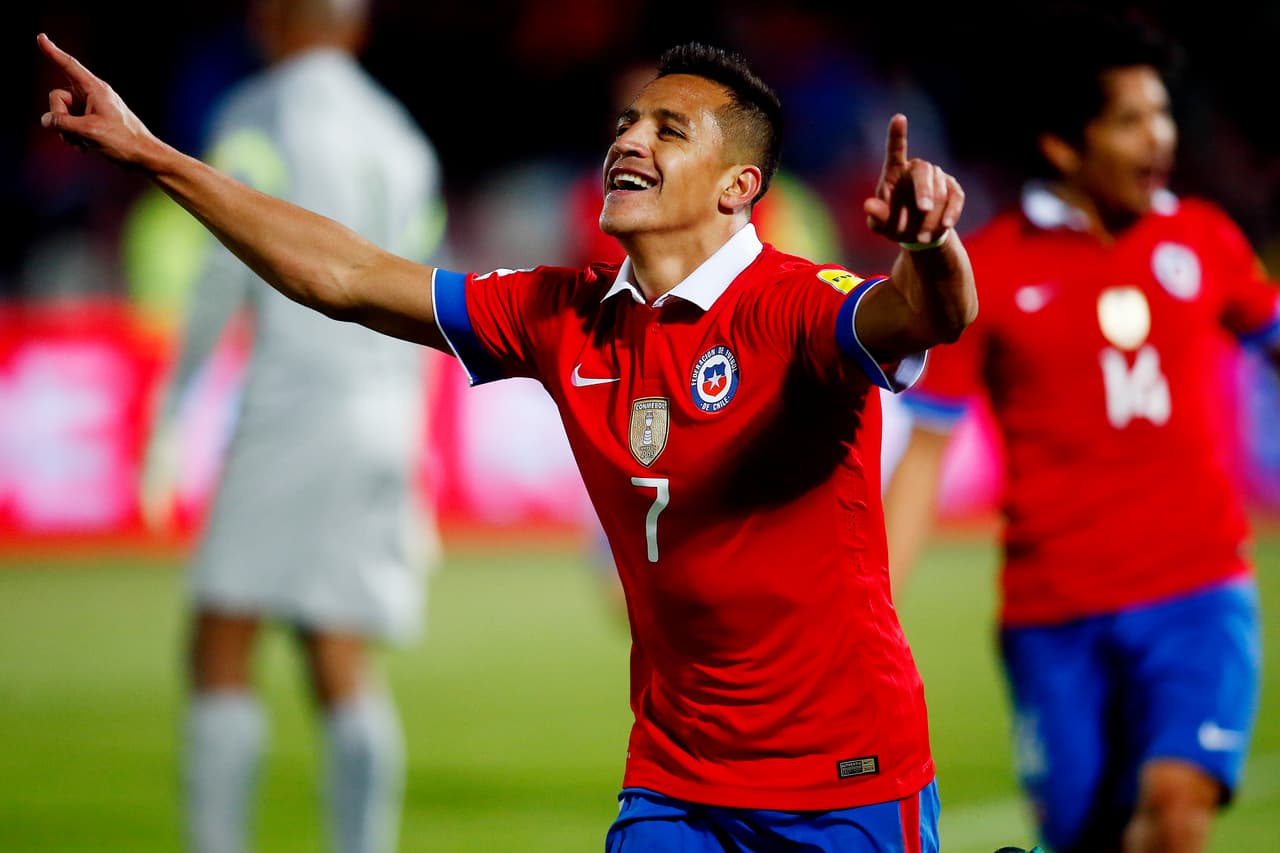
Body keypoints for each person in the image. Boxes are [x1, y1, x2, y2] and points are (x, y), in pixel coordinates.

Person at [38, 33, 979, 851]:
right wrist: (149, 152)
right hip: (677, 778)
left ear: (739, 187)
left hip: (845, 776)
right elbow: (347, 274)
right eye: (628, 124)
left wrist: (933, 245)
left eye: (667, 130)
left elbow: (925, 314)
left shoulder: (798, 306)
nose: (630, 140)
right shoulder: (560, 314)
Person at [883, 8, 1280, 853]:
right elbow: (923, 457)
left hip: (1198, 596)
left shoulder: (1204, 240)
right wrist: (866, 622)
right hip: (1053, 616)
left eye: (1163, 112)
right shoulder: (989, 269)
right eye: (1132, 120)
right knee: (1085, 837)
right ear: (1065, 145)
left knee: (1176, 807)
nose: (1161, 136)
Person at [131, 1, 446, 851]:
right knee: (334, 642)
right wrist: (415, 463)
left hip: (294, 404)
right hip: (384, 412)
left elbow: (215, 275)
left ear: (272, 20)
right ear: (357, 28)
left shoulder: (258, 114)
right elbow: (426, 304)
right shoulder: (404, 137)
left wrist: (170, 417)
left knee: (220, 634)